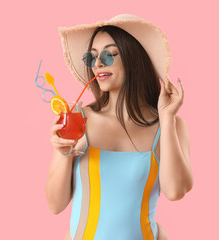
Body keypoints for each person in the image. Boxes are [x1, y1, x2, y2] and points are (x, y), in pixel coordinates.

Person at [45, 14, 193, 240]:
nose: (98, 64)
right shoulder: (78, 120)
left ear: (133, 57)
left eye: (108, 54)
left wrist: (166, 118)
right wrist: (63, 153)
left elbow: (175, 191)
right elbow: (55, 205)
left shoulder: (170, 125)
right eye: (92, 57)